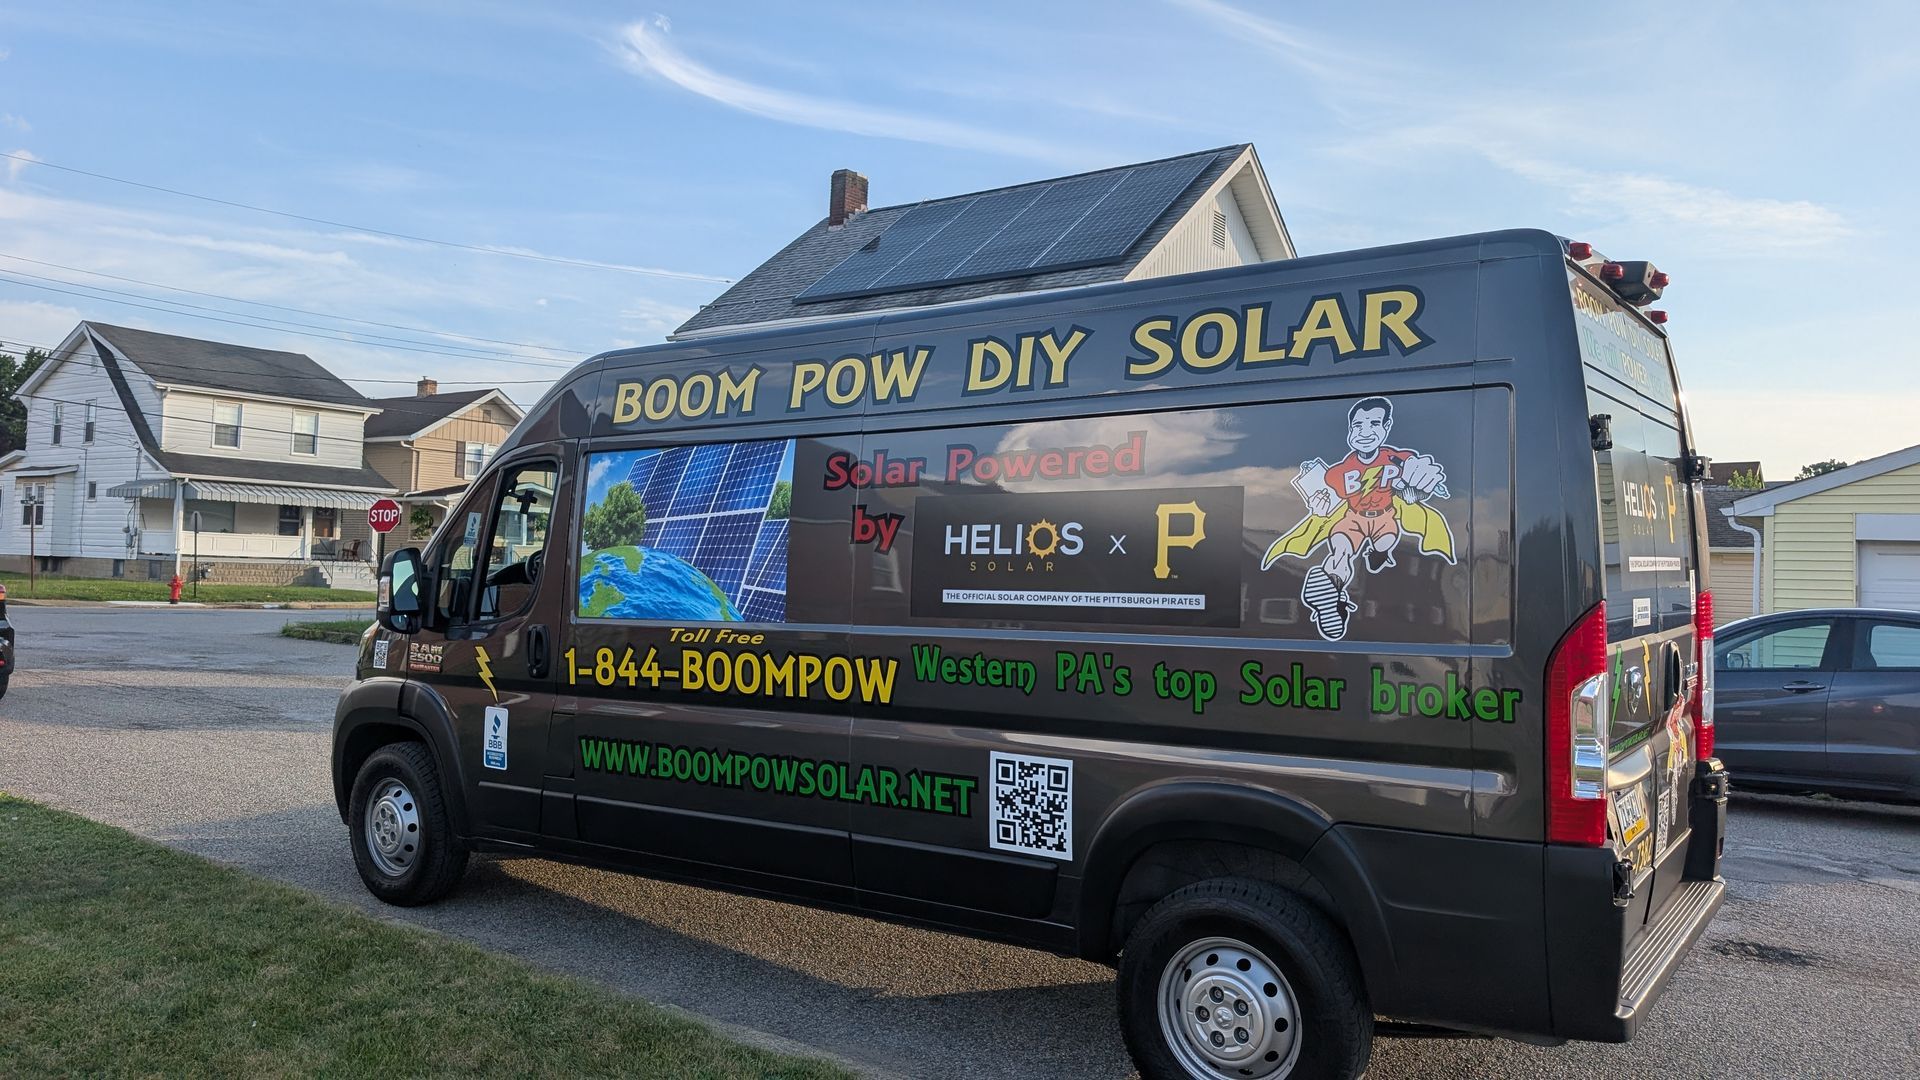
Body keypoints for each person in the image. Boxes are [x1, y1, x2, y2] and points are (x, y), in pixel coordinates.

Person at [1262, 396, 1455, 641]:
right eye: (1358, 426)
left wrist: (1421, 484)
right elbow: (1327, 502)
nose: (1364, 432)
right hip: (1352, 518)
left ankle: (1378, 555)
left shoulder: (1398, 459)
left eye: (1373, 424)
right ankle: (1331, 594)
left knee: (1383, 544)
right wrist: (1319, 507)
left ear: (1386, 428)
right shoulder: (1338, 472)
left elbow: (1418, 483)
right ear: (1350, 431)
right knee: (1340, 552)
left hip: (1385, 517)